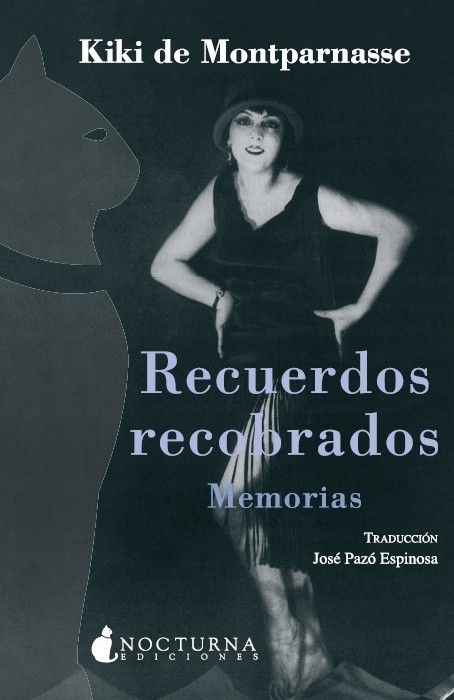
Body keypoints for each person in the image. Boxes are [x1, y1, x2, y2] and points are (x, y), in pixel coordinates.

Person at [151, 82, 415, 699]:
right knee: (274, 507)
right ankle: (312, 646)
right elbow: (164, 264)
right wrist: (219, 296)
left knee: (234, 499)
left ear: (282, 140)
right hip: (242, 363)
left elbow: (397, 229)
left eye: (269, 122)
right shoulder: (219, 193)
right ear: (228, 140)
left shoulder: (310, 195)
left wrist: (357, 308)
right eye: (245, 121)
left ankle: (283, 635)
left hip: (300, 359)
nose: (257, 131)